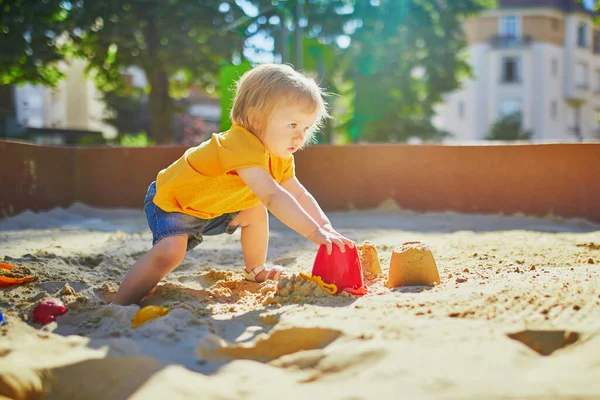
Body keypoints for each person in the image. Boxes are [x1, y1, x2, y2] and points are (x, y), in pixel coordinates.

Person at [113, 63, 354, 305]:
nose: (300, 136)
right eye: (292, 125)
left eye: (306, 127)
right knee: (170, 253)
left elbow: (298, 194)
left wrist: (325, 226)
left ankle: (255, 269)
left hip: (213, 208)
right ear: (255, 118)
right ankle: (119, 303)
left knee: (254, 210)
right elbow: (273, 196)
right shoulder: (240, 142)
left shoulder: (280, 158)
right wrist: (313, 232)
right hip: (173, 204)